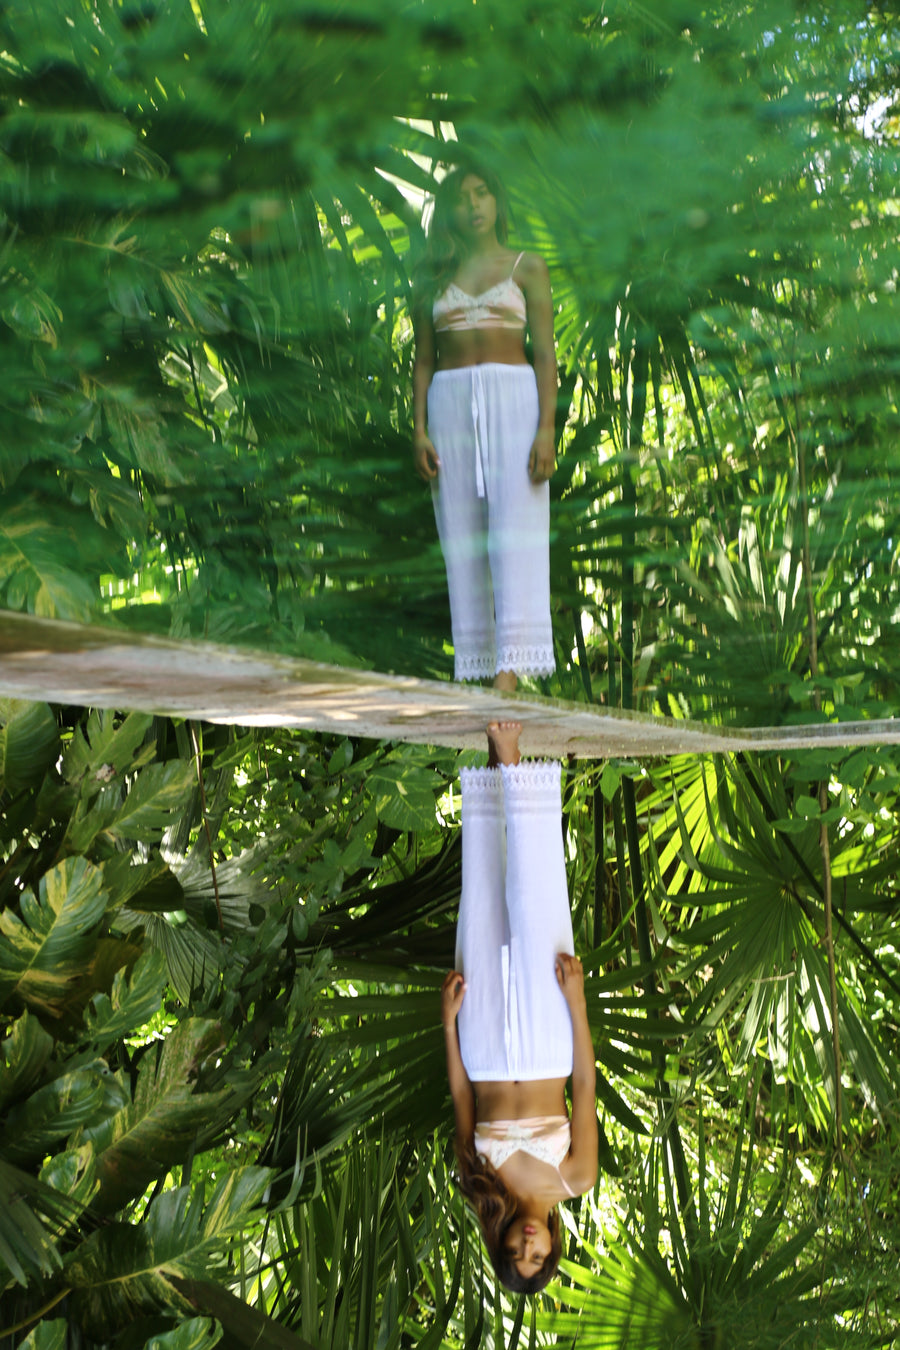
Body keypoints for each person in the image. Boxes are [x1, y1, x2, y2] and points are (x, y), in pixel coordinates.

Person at [441, 721, 598, 1294]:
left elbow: (461, 1095)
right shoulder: (576, 1178)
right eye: (539, 1257)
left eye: (517, 1253)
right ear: (555, 1246)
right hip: (546, 1043)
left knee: (480, 894)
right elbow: (584, 1086)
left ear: (503, 1243)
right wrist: (576, 1004)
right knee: (537, 900)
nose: (529, 1246)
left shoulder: (479, 1181)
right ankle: (512, 755)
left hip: (480, 1047)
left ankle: (490, 762)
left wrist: (448, 1025)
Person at [412, 162, 558, 692]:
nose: (472, 206)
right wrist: (419, 428)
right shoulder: (432, 280)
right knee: (463, 539)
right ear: (448, 210)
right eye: (461, 197)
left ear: (497, 201)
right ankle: (477, 663)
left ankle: (507, 680)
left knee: (514, 534)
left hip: (514, 403)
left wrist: (547, 429)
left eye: (481, 193)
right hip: (449, 408)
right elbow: (423, 360)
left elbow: (545, 354)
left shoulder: (527, 268)